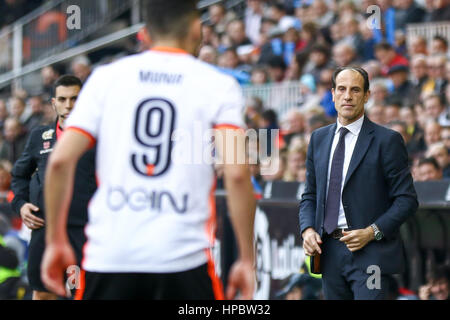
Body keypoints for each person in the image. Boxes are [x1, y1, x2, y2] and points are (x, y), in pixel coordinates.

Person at [41, 0, 256, 300]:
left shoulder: (106, 78)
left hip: (109, 256)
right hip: (182, 257)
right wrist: (246, 259)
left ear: (144, 33)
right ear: (198, 29)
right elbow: (236, 174)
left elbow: (60, 161)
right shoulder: (218, 85)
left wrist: (55, 240)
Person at [299, 66, 418, 300]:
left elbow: (407, 200)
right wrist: (308, 230)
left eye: (355, 90)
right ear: (332, 94)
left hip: (371, 253)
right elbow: (310, 195)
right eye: (341, 89)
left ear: (366, 96)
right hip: (329, 252)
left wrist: (372, 232)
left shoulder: (388, 140)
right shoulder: (319, 139)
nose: (347, 96)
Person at [11, 75, 96, 300]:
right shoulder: (39, 136)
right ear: (54, 102)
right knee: (42, 292)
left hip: (81, 231)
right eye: (63, 99)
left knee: (80, 293)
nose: (69, 105)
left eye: (75, 99)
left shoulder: (97, 137)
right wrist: (21, 205)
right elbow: (19, 175)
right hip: (44, 229)